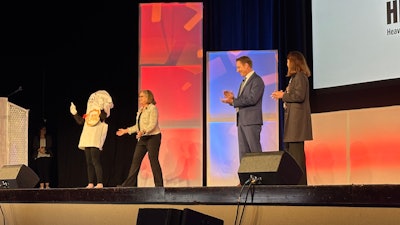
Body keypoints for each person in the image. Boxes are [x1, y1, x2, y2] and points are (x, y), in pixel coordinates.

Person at [271, 51, 313, 185]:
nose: (287, 64)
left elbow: (299, 96)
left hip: (297, 125)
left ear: (294, 62)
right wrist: (283, 96)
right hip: (292, 124)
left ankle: (300, 187)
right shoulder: (294, 78)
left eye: (289, 61)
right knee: (292, 157)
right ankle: (295, 185)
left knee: (297, 158)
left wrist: (283, 95)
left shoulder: (300, 77)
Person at [221, 56, 265, 169]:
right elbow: (243, 101)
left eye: (239, 67)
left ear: (246, 65)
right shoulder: (244, 81)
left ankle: (260, 178)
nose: (237, 70)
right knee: (244, 153)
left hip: (251, 122)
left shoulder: (257, 80)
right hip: (242, 121)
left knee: (254, 152)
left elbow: (252, 99)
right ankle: (246, 178)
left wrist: (234, 101)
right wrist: (232, 100)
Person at [116, 90, 163, 187]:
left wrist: (143, 131)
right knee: (135, 161)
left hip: (153, 137)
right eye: (139, 96)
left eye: (141, 96)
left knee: (153, 160)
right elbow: (138, 126)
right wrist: (126, 131)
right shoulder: (141, 110)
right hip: (143, 138)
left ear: (147, 97)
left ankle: (159, 186)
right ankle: (128, 185)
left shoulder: (152, 108)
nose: (139, 98)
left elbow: (152, 124)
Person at [70, 90, 114, 188]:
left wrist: (102, 107)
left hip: (95, 134)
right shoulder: (89, 112)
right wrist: (74, 113)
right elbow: (81, 121)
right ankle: (90, 182)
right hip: (87, 133)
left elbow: (103, 117)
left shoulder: (99, 110)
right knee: (88, 161)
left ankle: (99, 182)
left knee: (95, 160)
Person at [32, 125, 53, 189]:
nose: (44, 131)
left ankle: (47, 185)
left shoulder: (48, 137)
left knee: (46, 170)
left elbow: (50, 144)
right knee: (40, 171)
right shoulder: (37, 137)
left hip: (46, 156)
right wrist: (39, 149)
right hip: (39, 156)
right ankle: (41, 185)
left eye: (45, 129)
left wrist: (45, 149)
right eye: (43, 129)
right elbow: (34, 145)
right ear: (40, 130)